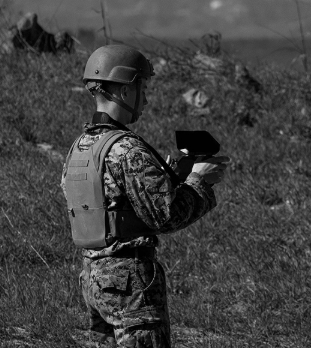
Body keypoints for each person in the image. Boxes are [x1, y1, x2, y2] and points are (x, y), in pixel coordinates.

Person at [62, 44, 229, 348]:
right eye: (143, 87)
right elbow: (167, 215)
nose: (147, 99)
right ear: (125, 91)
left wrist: (170, 173)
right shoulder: (128, 149)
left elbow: (114, 202)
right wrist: (199, 182)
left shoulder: (81, 147)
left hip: (94, 279)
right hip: (131, 285)